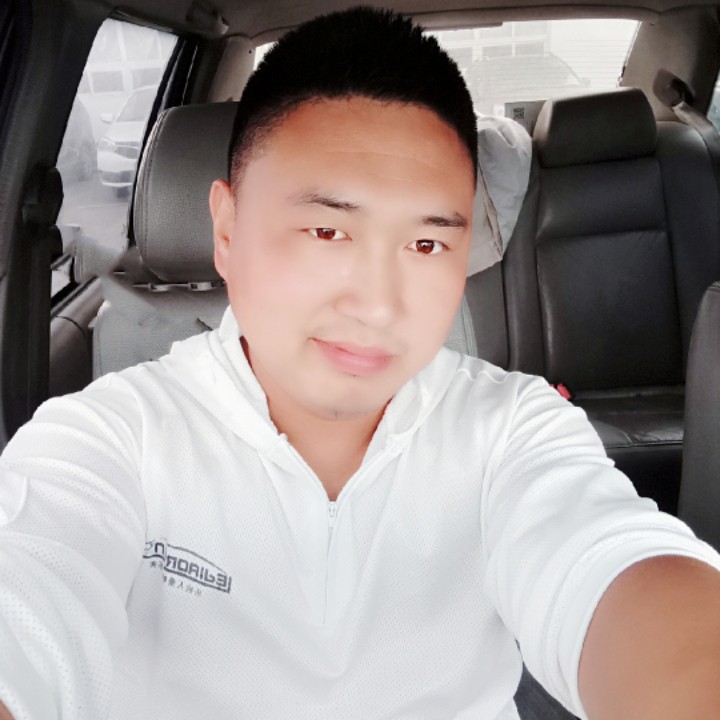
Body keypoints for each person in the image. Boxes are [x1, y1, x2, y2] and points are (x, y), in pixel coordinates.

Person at [1, 6, 719, 720]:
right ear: (227, 231)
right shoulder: (107, 440)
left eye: (427, 245)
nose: (379, 305)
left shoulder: (513, 429)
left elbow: (613, 565)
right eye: (326, 231)